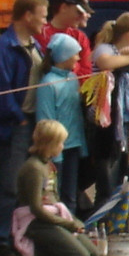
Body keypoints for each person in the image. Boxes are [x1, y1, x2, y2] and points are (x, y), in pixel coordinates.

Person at [0, 0, 48, 256]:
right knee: (8, 180)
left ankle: (15, 233)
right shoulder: (4, 47)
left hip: (31, 122)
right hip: (16, 124)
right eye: (43, 16)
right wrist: (20, 117)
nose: (44, 22)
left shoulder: (34, 45)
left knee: (23, 182)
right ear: (27, 15)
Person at [10, 119, 96, 256]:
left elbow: (54, 198)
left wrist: (73, 221)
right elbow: (36, 208)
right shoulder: (34, 168)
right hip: (36, 221)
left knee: (92, 254)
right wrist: (66, 224)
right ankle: (40, 252)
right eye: (60, 143)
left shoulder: (48, 165)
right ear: (50, 144)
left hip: (50, 216)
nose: (62, 147)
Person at [31, 33, 86, 212]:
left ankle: (71, 228)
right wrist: (53, 152)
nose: (78, 58)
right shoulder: (47, 84)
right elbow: (45, 118)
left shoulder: (72, 79)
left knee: (71, 194)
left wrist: (82, 146)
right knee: (55, 193)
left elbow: (77, 116)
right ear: (63, 56)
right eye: (74, 54)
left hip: (72, 144)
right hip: (56, 149)